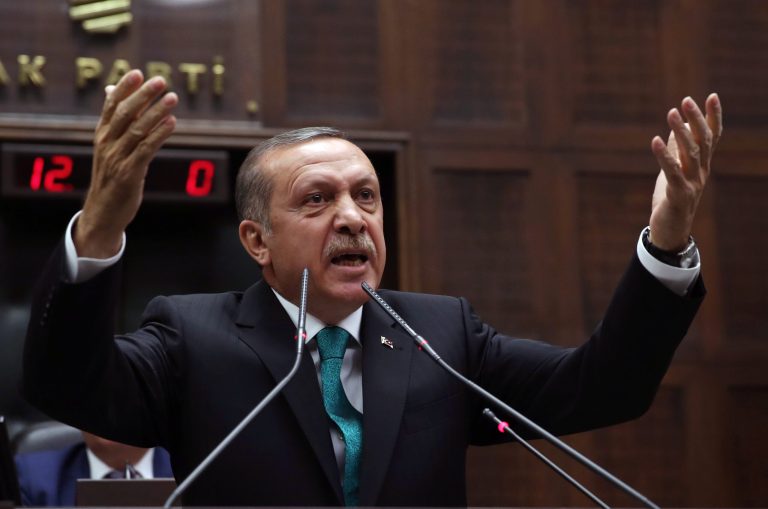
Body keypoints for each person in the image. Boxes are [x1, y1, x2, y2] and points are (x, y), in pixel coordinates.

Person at [21, 69, 722, 506]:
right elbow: (68, 386)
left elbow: (604, 387)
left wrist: (665, 242)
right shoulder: (191, 336)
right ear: (256, 240)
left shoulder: (443, 337)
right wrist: (100, 230)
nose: (353, 217)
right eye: (318, 200)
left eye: (366, 196)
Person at [14, 431, 172, 506]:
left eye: (122, 393)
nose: (107, 407)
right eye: (96, 395)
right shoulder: (31, 478)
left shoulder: (192, 474)